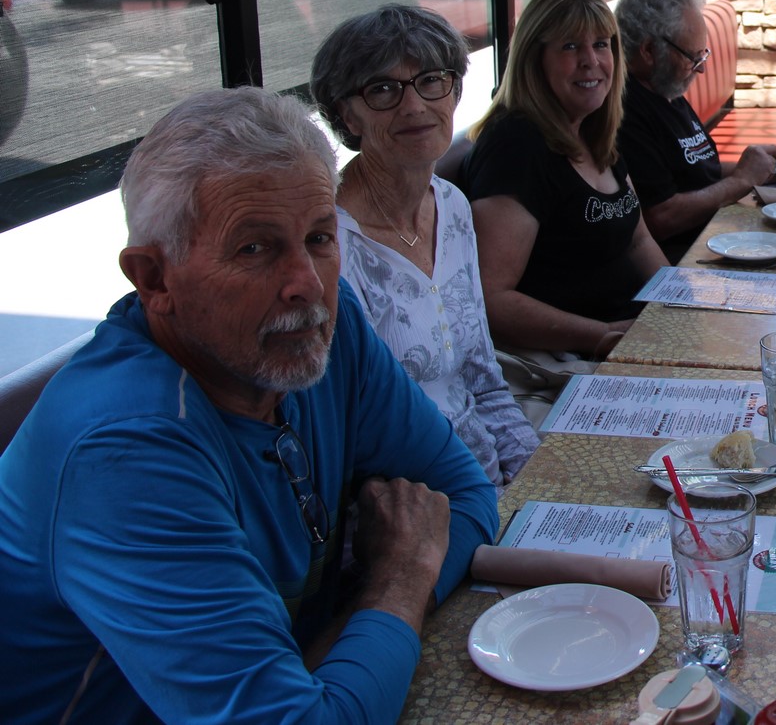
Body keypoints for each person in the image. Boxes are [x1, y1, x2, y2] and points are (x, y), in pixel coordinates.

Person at [0, 87, 498, 724]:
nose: (306, 283)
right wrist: (398, 582)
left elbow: (465, 491)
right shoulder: (126, 451)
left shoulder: (330, 328)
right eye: (254, 249)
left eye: (319, 237)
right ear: (153, 279)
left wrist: (350, 640)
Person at [310, 4, 539, 483]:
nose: (414, 106)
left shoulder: (452, 205)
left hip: (486, 472)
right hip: (412, 500)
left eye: (432, 80)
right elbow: (356, 435)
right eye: (383, 90)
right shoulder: (327, 246)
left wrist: (535, 476)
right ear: (345, 115)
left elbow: (484, 380)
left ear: (455, 91)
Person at [462, 0, 669, 414]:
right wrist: (602, 334)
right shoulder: (516, 145)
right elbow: (491, 296)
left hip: (626, 341)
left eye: (600, 44)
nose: (591, 60)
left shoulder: (593, 132)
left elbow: (639, 241)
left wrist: (685, 307)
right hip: (567, 367)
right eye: (570, 46)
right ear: (535, 60)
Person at [616, 0, 776, 262]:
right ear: (648, 51)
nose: (702, 69)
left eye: (703, 54)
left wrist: (773, 167)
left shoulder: (666, 89)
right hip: (684, 254)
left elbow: (696, 169)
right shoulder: (628, 112)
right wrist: (743, 179)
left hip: (715, 233)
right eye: (692, 57)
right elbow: (661, 218)